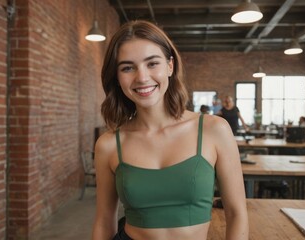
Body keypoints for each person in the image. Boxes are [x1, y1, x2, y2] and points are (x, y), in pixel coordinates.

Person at [91, 20, 248, 240]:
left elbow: (237, 213)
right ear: (117, 77)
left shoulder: (214, 130)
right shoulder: (108, 144)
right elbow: (104, 221)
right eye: (128, 67)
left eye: (152, 63)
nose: (142, 77)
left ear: (170, 66)